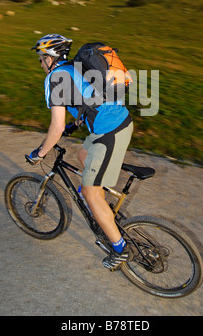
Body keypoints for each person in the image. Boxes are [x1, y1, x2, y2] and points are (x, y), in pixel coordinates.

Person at [29, 34, 134, 270]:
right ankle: (101, 209)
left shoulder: (55, 78)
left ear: (50, 58)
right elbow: (87, 98)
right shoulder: (75, 67)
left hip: (109, 132)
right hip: (116, 123)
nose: (40, 64)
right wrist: (74, 125)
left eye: (41, 59)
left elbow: (55, 125)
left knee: (90, 192)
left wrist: (40, 153)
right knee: (82, 157)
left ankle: (120, 248)